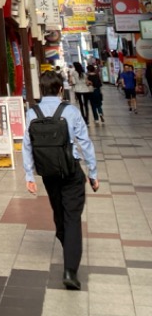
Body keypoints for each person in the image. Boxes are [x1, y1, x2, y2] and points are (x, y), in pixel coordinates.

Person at [23, 69, 98, 291]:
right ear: (59, 89)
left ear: (42, 90)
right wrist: (92, 173)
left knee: (59, 213)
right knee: (72, 217)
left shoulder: (32, 113)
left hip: (47, 173)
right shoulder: (70, 111)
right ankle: (70, 270)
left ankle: (66, 243)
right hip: (71, 171)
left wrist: (29, 175)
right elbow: (85, 143)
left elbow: (27, 145)